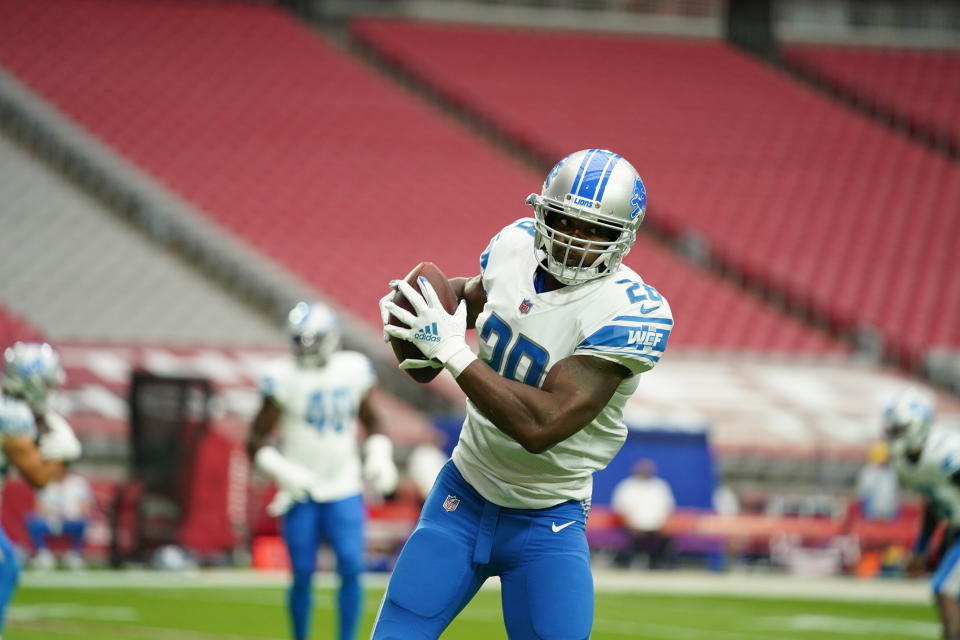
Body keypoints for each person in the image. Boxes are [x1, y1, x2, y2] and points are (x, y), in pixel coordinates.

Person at [376, 148, 672, 638]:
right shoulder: (514, 245)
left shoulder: (628, 311)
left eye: (597, 229)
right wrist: (424, 310)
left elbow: (543, 426)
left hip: (547, 519)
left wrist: (450, 349)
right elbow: (476, 300)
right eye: (565, 220)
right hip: (463, 494)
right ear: (542, 213)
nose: (577, 240)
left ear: (625, 238)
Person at [247, 301, 397, 640]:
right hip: (300, 489)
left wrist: (379, 454)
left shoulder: (352, 370)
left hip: (343, 485)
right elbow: (255, 439)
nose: (305, 348)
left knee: (350, 566)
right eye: (300, 340)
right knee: (301, 572)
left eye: (311, 340)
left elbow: (373, 421)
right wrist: (281, 470)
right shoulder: (281, 376)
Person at [0, 342, 81, 635]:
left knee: (7, 562)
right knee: (4, 567)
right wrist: (65, 453)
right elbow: (39, 477)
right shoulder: (12, 415)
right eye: (46, 384)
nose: (49, 391)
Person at [884, 387, 960, 640]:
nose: (893, 436)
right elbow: (934, 504)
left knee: (945, 589)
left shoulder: (947, 451)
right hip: (956, 528)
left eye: (898, 429)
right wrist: (921, 548)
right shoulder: (906, 464)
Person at [611, 458, 676, 570]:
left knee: (666, 540)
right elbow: (621, 510)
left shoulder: (660, 486)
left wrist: (663, 526)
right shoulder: (627, 486)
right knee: (635, 540)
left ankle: (657, 563)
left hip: (656, 526)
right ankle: (623, 563)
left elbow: (668, 509)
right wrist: (631, 526)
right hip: (632, 526)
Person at [27, 469, 94, 570]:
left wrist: (72, 514)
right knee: (32, 521)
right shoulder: (45, 482)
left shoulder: (78, 482)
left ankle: (75, 554)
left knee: (83, 523)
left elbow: (86, 506)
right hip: (50, 521)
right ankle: (43, 554)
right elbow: (38, 506)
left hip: (71, 522)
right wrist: (52, 513)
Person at [856, 441, 899, 521]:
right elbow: (865, 492)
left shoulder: (890, 472)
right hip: (872, 514)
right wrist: (867, 510)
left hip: (888, 513)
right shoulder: (869, 471)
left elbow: (893, 493)